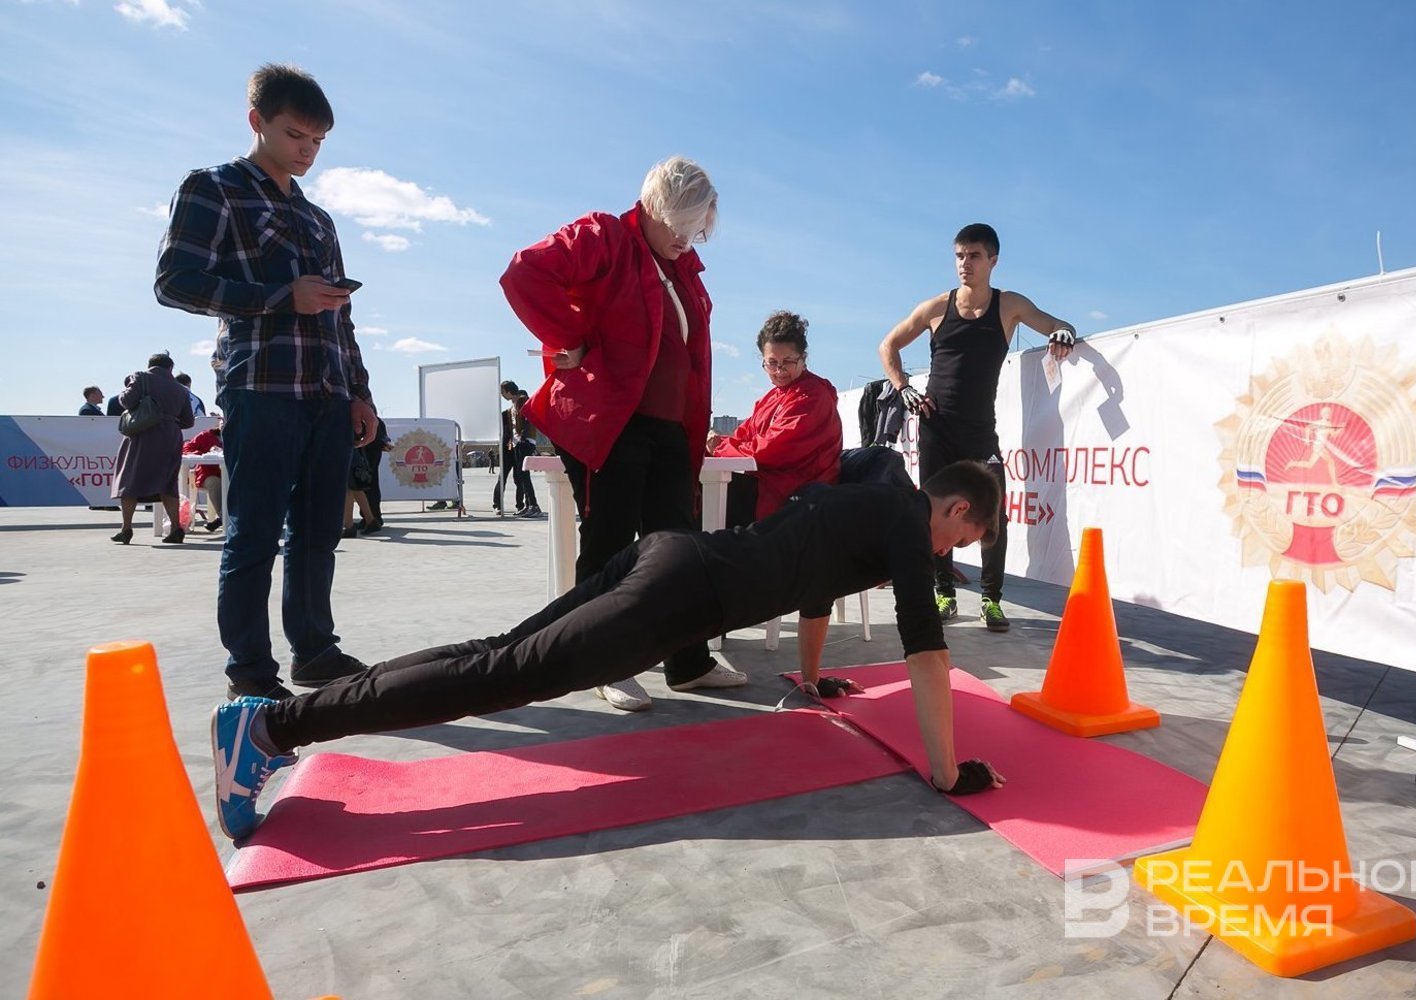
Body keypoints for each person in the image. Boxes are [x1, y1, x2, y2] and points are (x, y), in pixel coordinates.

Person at [212, 461, 1008, 839]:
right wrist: (944, 773)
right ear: (957, 507)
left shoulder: (874, 494)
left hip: (672, 555)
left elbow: (815, 583)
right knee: (500, 676)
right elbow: (927, 654)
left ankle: (274, 720)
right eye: (960, 538)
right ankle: (273, 730)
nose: (946, 552)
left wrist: (807, 678)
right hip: (676, 597)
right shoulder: (907, 521)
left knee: (498, 651)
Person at [155, 63, 378, 701]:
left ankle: (315, 651)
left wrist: (358, 391)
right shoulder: (213, 189)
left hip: (328, 393)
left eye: (318, 142)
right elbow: (175, 283)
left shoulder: (320, 220)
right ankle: (249, 672)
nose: (307, 151)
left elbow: (341, 313)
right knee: (252, 532)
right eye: (294, 135)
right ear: (256, 121)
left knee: (318, 533)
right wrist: (283, 296)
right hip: (261, 389)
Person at [500, 156, 745, 712]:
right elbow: (524, 272)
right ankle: (602, 663)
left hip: (665, 426)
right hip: (612, 419)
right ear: (655, 209)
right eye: (680, 227)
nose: (689, 240)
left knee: (678, 546)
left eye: (698, 228)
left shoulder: (682, 267)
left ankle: (687, 661)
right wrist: (570, 335)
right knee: (610, 541)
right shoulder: (603, 235)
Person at [878, 223, 1076, 633]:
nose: (965, 264)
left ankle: (991, 600)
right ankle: (944, 592)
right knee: (932, 512)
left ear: (993, 261)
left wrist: (1063, 334)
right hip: (936, 427)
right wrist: (903, 388)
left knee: (993, 515)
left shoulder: (1009, 306)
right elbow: (888, 345)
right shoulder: (935, 308)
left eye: (974, 256)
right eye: (959, 256)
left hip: (980, 432)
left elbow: (1060, 325)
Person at [707, 310, 842, 528]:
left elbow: (769, 450)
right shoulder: (771, 398)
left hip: (792, 498)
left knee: (697, 491)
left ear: (803, 358)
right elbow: (743, 435)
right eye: (772, 363)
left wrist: (718, 448)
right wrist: (715, 444)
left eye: (787, 362)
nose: (779, 371)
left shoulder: (813, 397)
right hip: (768, 488)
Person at [109, 353, 196, 544]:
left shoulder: (140, 377)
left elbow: (126, 402)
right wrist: (169, 421)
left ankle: (126, 529)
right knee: (167, 482)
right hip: (171, 437)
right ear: (170, 369)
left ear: (150, 365)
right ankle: (175, 528)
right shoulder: (180, 389)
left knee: (129, 480)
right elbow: (189, 421)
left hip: (142, 434)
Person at [502, 380, 541, 517]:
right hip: (518, 443)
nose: (502, 396)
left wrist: (523, 436)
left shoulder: (522, 400)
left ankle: (534, 505)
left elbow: (527, 417)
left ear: (508, 391)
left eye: (503, 392)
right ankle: (528, 504)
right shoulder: (512, 406)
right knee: (520, 475)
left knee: (524, 474)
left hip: (525, 441)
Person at [183, 414, 226, 532]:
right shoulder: (205, 435)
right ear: (218, 424)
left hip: (232, 474)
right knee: (214, 483)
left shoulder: (238, 436)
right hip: (208, 474)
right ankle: (224, 517)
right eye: (223, 424)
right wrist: (202, 453)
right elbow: (187, 448)